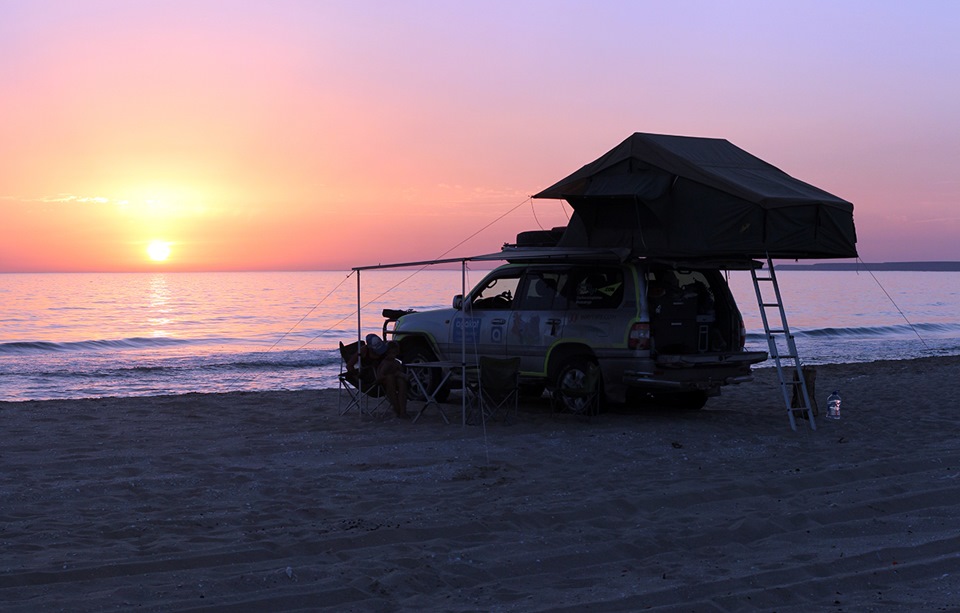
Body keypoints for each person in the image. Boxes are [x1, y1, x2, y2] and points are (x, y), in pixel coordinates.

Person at [376, 341, 409, 419]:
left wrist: (398, 374)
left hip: (397, 383)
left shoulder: (396, 363)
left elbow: (401, 371)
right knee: (390, 378)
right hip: (386, 383)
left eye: (394, 353)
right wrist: (396, 374)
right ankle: (397, 409)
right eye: (390, 353)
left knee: (401, 382)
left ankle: (403, 411)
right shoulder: (385, 363)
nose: (392, 355)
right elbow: (380, 376)